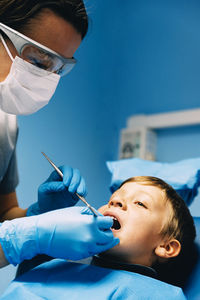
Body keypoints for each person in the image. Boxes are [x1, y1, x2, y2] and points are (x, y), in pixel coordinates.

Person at [0, 0, 118, 269]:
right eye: (39, 61)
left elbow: (4, 214)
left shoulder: (5, 122)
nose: (46, 79)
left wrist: (39, 213)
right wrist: (30, 238)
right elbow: (13, 237)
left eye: (57, 68)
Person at [0, 176, 195, 299]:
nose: (116, 201)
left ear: (166, 247)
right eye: (112, 199)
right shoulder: (54, 263)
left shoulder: (158, 295)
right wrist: (43, 217)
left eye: (140, 203)